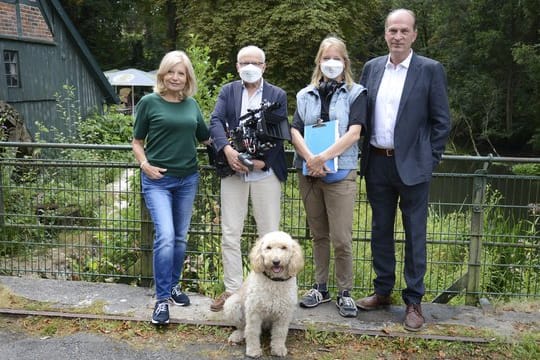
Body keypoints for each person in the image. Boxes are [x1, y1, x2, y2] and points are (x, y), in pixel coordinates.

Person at [355, 8, 451, 331]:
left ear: (414, 35)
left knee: (415, 234)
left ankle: (413, 301)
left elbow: (441, 122)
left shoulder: (430, 70)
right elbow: (361, 116)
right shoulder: (371, 68)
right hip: (377, 162)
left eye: (403, 30)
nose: (397, 36)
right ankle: (382, 291)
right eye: (392, 30)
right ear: (385, 34)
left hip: (413, 167)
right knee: (380, 230)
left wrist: (430, 158)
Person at [290, 36, 367, 318]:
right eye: (326, 58)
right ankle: (320, 288)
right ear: (319, 62)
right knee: (318, 235)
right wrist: (311, 158)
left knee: (341, 238)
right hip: (309, 174)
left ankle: (345, 291)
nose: (331, 63)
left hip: (341, 174)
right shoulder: (304, 94)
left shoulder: (357, 93)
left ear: (344, 61)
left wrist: (324, 157)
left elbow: (355, 132)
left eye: (336, 58)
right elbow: (295, 129)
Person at [132, 50, 211, 325]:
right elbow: (137, 141)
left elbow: (206, 137)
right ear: (162, 75)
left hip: (187, 179)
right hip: (157, 181)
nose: (176, 77)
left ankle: (175, 286)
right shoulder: (148, 102)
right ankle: (162, 300)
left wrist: (232, 150)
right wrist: (144, 165)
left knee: (180, 238)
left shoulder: (191, 105)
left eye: (181, 73)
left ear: (187, 77)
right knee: (165, 236)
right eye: (171, 72)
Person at [208, 45, 288, 312]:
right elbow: (216, 121)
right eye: (245, 62)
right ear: (237, 66)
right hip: (232, 170)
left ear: (264, 67)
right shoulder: (228, 91)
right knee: (231, 233)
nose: (250, 66)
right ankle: (232, 290)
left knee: (270, 234)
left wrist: (259, 162)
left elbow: (280, 134)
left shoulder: (277, 94)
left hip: (264, 173)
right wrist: (228, 151)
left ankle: (269, 293)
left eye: (255, 62)